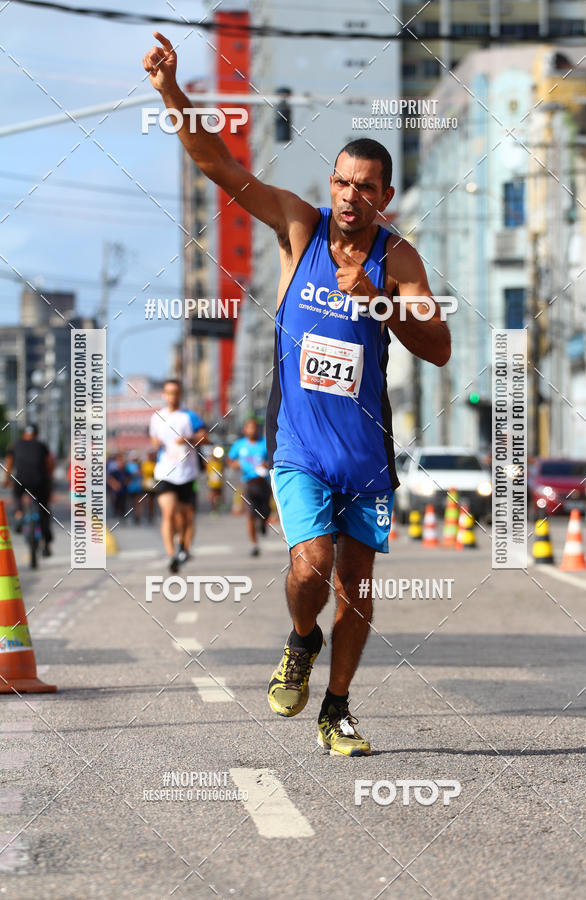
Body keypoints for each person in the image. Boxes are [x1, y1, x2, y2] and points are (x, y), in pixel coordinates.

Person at [143, 35, 451, 756]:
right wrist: (170, 93)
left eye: (366, 187)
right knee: (310, 566)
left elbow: (437, 348)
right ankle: (299, 640)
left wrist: (379, 301)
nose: (350, 196)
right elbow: (216, 164)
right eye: (343, 182)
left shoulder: (398, 259)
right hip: (302, 444)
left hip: (366, 451)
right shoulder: (298, 226)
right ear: (333, 183)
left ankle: (337, 709)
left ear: (386, 196)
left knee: (359, 587)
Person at [149, 378, 207, 572]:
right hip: (165, 472)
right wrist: (155, 442)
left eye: (175, 392)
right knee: (168, 513)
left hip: (187, 473)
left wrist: (189, 438)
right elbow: (154, 438)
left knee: (186, 517)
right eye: (169, 392)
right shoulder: (157, 417)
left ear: (180, 394)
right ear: (164, 395)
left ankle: (184, 547)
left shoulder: (189, 416)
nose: (172, 396)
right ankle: (171, 555)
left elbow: (205, 437)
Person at [3, 424, 54, 556]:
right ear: (36, 434)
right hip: (40, 481)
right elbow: (49, 464)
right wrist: (49, 477)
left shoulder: (15, 445)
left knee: (16, 494)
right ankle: (46, 544)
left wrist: (7, 479)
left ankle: (18, 513)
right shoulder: (41, 445)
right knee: (44, 510)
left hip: (21, 481)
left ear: (23, 434)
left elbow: (9, 463)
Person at [227, 417, 271, 556]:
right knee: (250, 515)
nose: (252, 430)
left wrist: (267, 464)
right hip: (248, 484)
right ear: (245, 430)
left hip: (263, 483)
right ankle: (254, 545)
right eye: (249, 427)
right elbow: (230, 459)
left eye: (254, 427)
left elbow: (273, 459)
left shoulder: (264, 444)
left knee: (265, 512)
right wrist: (235, 464)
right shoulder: (239, 445)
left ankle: (264, 523)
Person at [125, 451, 143, 524]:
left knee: (137, 502)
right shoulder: (128, 465)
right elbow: (130, 474)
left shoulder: (139, 465)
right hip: (130, 487)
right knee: (130, 502)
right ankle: (130, 515)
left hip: (138, 487)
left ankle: (137, 517)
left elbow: (141, 474)